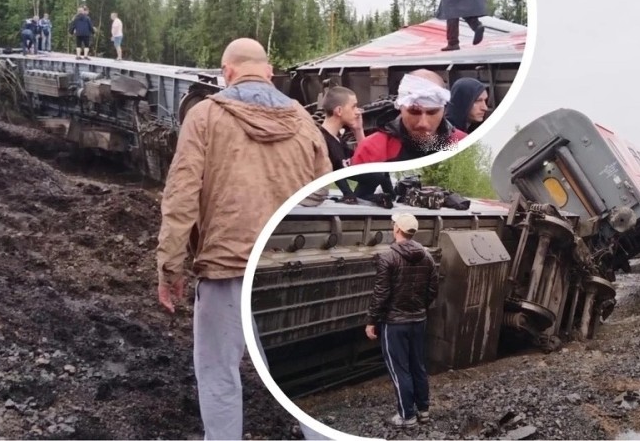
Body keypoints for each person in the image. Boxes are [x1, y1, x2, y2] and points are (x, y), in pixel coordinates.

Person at [155, 38, 332, 441]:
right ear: (269, 73)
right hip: (285, 266)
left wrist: (170, 266)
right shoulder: (306, 123)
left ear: (227, 73)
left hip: (226, 268)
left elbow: (181, 197)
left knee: (218, 374)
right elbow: (321, 192)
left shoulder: (204, 117)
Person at [365, 213, 439, 428]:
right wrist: (419, 308)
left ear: (397, 229)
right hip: (419, 320)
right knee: (418, 366)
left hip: (395, 322)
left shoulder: (388, 257)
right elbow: (433, 289)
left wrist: (371, 321)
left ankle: (406, 416)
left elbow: (381, 294)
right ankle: (423, 411)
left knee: (400, 370)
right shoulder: (427, 256)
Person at [351, 70, 467, 163]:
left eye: (432, 112)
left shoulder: (464, 144)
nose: (423, 123)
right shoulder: (372, 150)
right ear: (400, 107)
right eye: (414, 112)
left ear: (444, 109)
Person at [319, 86, 395, 206]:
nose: (358, 111)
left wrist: (358, 130)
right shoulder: (321, 140)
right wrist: (348, 195)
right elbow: (335, 169)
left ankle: (377, 196)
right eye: (353, 106)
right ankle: (360, 197)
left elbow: (367, 159)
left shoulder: (337, 139)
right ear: (339, 111)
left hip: (352, 190)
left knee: (380, 172)